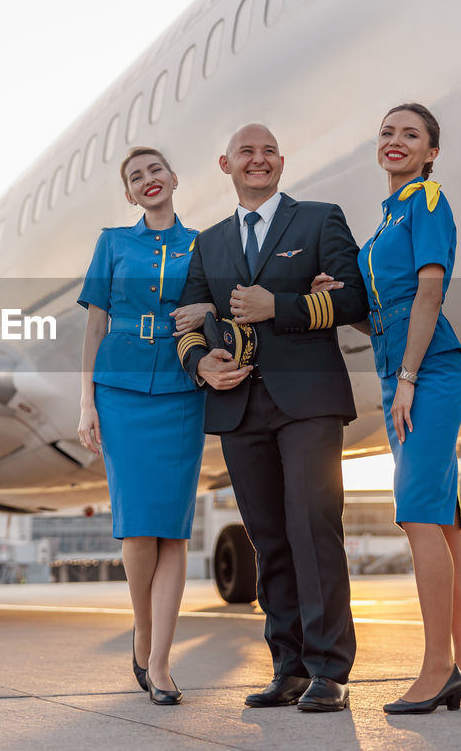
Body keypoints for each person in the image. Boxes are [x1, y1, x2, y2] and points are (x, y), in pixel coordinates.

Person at [175, 124, 368, 712]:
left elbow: (356, 298)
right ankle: (287, 667)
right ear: (225, 164)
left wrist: (276, 306)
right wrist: (202, 366)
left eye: (266, 152)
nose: (257, 161)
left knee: (314, 528)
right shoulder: (207, 244)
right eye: (245, 153)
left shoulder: (319, 219)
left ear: (281, 161)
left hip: (308, 401)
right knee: (269, 540)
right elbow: (184, 326)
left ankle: (329, 670)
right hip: (240, 407)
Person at [318, 102, 461, 714]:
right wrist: (342, 297)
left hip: (431, 372)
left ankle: (437, 669)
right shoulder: (384, 223)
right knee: (443, 521)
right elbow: (380, 318)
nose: (396, 141)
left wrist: (411, 377)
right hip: (403, 373)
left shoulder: (427, 200)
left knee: (418, 514)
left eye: (410, 134)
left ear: (430, 151)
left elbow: (430, 288)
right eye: (388, 132)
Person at [77, 146, 212, 706]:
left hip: (182, 389)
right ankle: (142, 627)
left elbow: (223, 307)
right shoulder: (113, 242)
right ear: (130, 194)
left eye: (156, 170)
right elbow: (95, 323)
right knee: (137, 528)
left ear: (175, 179)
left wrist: (204, 313)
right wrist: (85, 401)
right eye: (136, 177)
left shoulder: (204, 245)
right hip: (120, 389)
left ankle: (159, 662)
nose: (148, 180)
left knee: (173, 530)